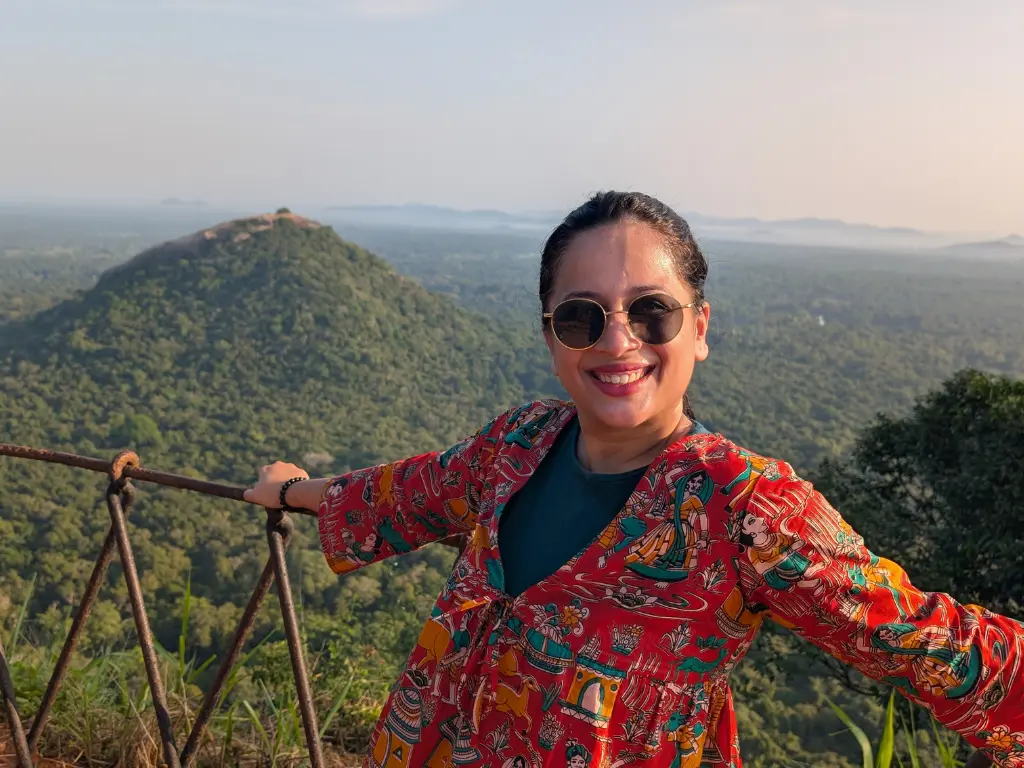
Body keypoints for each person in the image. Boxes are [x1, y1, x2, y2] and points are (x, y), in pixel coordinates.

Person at [245, 191, 1023, 768]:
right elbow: (404, 494)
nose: (618, 341)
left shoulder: (746, 506)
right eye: (581, 317)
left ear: (700, 329)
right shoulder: (519, 443)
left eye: (652, 312)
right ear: (551, 339)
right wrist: (288, 490)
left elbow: (924, 639)